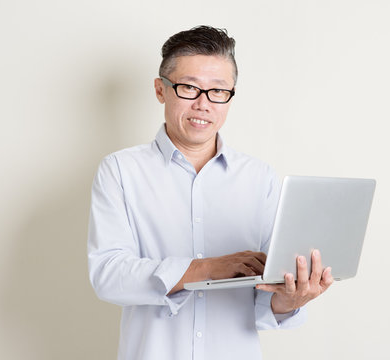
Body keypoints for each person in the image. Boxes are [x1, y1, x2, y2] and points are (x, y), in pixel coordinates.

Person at [87, 25, 333, 360]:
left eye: (218, 91)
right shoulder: (120, 170)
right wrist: (207, 268)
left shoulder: (258, 177)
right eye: (189, 87)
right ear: (161, 90)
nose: (204, 105)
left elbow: (266, 296)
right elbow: (109, 275)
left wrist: (291, 298)